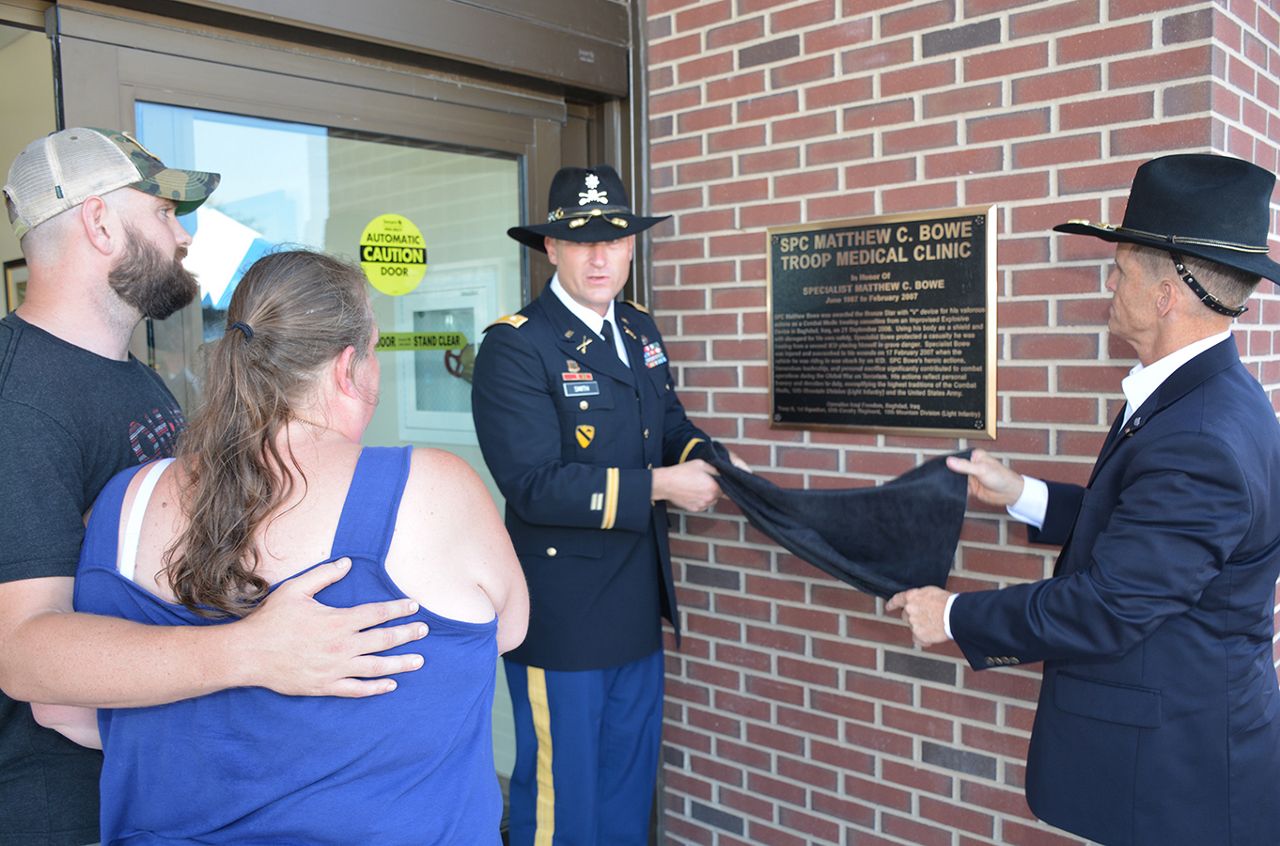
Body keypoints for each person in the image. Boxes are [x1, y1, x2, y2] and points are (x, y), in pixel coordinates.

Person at [0, 128, 427, 845]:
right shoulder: (18, 401)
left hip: (166, 787)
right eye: (164, 212)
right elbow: (24, 651)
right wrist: (253, 654)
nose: (184, 234)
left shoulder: (134, 378)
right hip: (64, 807)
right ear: (100, 222)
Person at [39, 248, 529, 843]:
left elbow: (60, 708)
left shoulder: (127, 500)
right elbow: (508, 629)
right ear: (349, 366)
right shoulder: (433, 488)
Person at [888, 153, 1280, 845]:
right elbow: (1145, 536)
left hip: (1167, 779)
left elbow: (1113, 603)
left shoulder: (1200, 435)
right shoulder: (1199, 401)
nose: (1109, 283)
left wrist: (952, 614)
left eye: (1122, 270)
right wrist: (1025, 496)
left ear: (1165, 295)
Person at [471, 164, 746, 845]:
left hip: (633, 604)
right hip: (561, 614)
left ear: (631, 247)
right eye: (580, 239)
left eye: (615, 238)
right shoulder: (516, 345)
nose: (600, 255)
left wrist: (706, 458)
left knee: (626, 790)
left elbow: (669, 422)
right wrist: (660, 485)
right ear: (551, 249)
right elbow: (534, 483)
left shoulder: (639, 328)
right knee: (564, 797)